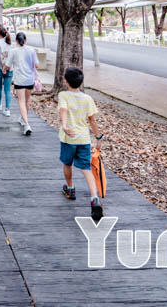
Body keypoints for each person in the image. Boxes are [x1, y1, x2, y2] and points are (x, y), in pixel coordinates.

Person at [57, 66, 104, 221]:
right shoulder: (87, 98)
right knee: (86, 168)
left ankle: (70, 189)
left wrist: (64, 126)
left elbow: (63, 110)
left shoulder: (63, 95)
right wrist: (98, 137)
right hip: (83, 139)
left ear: (65, 81)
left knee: (67, 164)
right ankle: (94, 199)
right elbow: (92, 119)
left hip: (68, 138)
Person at [4, 32, 38, 135]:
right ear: (25, 40)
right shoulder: (32, 50)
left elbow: (8, 65)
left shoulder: (13, 51)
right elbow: (36, 65)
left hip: (19, 80)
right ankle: (23, 119)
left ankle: (27, 124)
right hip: (30, 80)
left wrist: (4, 69)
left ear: (16, 41)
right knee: (27, 101)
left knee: (21, 101)